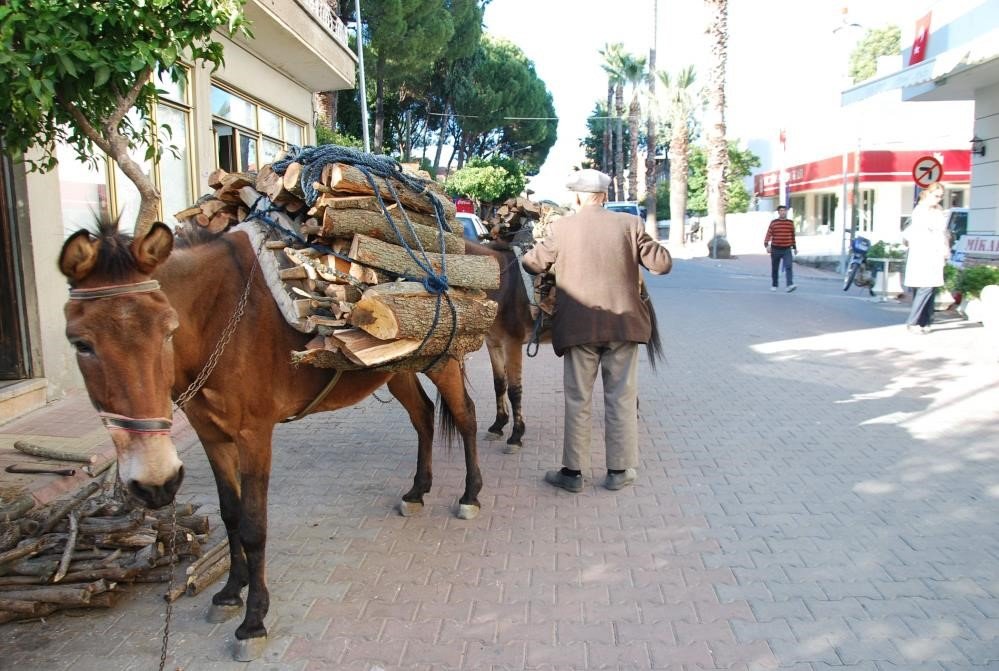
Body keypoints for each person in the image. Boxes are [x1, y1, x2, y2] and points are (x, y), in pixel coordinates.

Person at [520, 169, 672, 493]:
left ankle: (572, 474)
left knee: (578, 399)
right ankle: (619, 471)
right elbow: (661, 264)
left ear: (577, 197)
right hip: (624, 326)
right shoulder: (630, 225)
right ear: (604, 196)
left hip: (578, 327)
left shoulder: (561, 228)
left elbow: (532, 264)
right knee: (621, 398)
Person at [903, 182, 950, 333]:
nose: (939, 199)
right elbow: (920, 233)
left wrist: (945, 249)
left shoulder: (938, 211)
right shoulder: (920, 211)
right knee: (925, 287)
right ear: (928, 194)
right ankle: (913, 322)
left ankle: (925, 321)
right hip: (922, 253)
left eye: (941, 196)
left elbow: (943, 233)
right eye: (936, 196)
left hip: (935, 253)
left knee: (930, 287)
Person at [764, 205, 797, 292]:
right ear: (778, 212)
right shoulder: (774, 223)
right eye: (781, 211)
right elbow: (769, 234)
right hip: (776, 249)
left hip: (787, 249)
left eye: (784, 210)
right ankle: (774, 284)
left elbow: (792, 236)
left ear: (786, 212)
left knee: (789, 266)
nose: (783, 212)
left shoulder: (790, 223)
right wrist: (766, 245)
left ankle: (789, 285)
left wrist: (794, 247)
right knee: (775, 268)